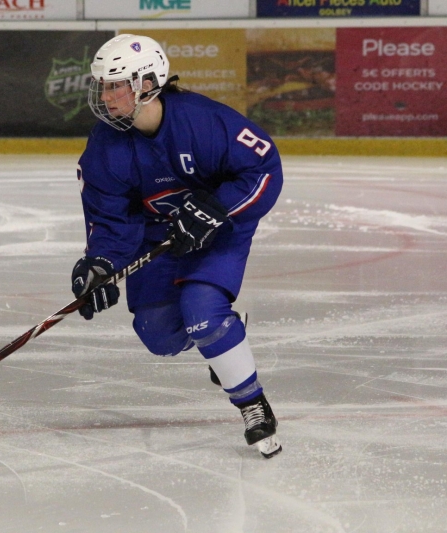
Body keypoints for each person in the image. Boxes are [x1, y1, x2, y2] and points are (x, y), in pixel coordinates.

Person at [70, 34, 283, 458]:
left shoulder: (203, 121)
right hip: (159, 237)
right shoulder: (105, 145)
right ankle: (224, 340)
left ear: (148, 82)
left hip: (219, 230)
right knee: (160, 336)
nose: (106, 96)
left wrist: (216, 209)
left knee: (203, 314)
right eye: (104, 86)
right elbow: (112, 218)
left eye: (116, 85)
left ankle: (252, 404)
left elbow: (263, 171)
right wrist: (100, 263)